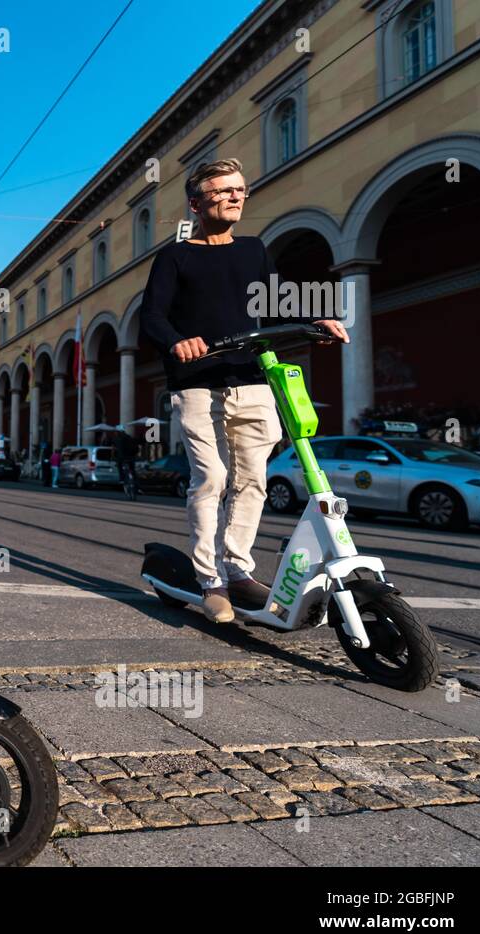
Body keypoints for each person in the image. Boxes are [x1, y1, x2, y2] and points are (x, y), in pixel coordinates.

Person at [140, 157, 347, 623]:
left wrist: (315, 318)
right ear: (196, 203)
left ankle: (237, 570)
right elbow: (152, 315)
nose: (235, 197)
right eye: (222, 191)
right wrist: (177, 340)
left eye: (240, 189)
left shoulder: (253, 250)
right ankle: (209, 580)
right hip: (197, 383)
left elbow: (273, 301)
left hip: (252, 381)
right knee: (211, 478)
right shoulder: (176, 255)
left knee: (253, 480)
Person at [113, 426, 139, 495]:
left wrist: (115, 458)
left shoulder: (118, 439)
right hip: (131, 457)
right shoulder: (129, 437)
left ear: (118, 432)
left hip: (122, 458)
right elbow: (136, 447)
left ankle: (121, 479)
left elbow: (117, 450)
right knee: (133, 470)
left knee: (119, 466)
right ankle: (136, 485)